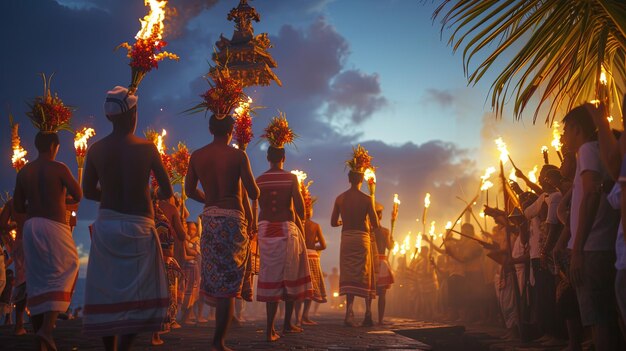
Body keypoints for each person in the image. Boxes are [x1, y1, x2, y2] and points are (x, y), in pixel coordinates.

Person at [82, 86, 172, 351]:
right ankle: (125, 346)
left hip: (107, 225)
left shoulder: (96, 150)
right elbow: (166, 190)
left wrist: (111, 193)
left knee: (108, 292)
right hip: (140, 226)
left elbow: (88, 191)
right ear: (133, 115)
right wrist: (150, 192)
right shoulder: (147, 148)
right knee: (141, 296)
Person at [185, 113, 259, 351]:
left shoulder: (197, 156)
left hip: (209, 218)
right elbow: (253, 192)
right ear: (231, 131)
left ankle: (219, 336)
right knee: (228, 284)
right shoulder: (238, 155)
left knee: (216, 278)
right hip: (232, 220)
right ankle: (219, 341)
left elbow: (188, 190)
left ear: (210, 129)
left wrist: (207, 198)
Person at [13, 129, 82, 351]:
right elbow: (78, 194)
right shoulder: (59, 168)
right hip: (53, 225)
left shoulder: (24, 172)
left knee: (37, 276)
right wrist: (60, 198)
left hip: (31, 227)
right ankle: (47, 328)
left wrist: (36, 201)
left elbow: (17, 206)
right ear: (54, 146)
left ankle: (40, 336)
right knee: (69, 266)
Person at [562, 104, 621, 351]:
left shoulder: (587, 149)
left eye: (565, 130)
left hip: (592, 248)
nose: (563, 137)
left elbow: (590, 195)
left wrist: (577, 249)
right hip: (600, 246)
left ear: (576, 128)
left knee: (599, 322)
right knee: (607, 319)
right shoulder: (598, 150)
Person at [255, 134, 313, 341]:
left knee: (270, 276)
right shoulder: (291, 178)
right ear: (283, 158)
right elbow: (300, 209)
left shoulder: (259, 180)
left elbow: (256, 207)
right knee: (290, 275)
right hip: (286, 229)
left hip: (264, 229)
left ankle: (271, 328)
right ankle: (287, 323)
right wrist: (301, 219)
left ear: (268, 158)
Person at [331, 151, 379, 327]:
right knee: (366, 274)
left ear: (349, 179)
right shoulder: (367, 199)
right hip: (362, 239)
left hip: (347, 239)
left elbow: (333, 223)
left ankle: (349, 313)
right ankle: (368, 313)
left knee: (349, 274)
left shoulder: (340, 198)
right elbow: (375, 224)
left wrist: (344, 220)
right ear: (361, 180)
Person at [0, 198, 28, 335]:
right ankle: (44, 322)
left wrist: (15, 225)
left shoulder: (11, 203)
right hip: (38, 240)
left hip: (20, 243)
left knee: (22, 281)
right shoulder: (38, 198)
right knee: (40, 281)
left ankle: (19, 324)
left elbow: (2, 225)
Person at [298, 202, 327, 326]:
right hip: (312, 256)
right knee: (311, 286)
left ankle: (297, 317)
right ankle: (305, 316)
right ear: (310, 211)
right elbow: (323, 245)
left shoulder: (296, 224)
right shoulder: (315, 226)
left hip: (299, 255)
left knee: (299, 286)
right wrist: (313, 245)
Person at [372, 204, 394, 325]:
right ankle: (376, 318)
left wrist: (391, 241)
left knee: (377, 292)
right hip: (377, 262)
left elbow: (389, 246)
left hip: (376, 262)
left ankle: (373, 317)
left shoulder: (371, 231)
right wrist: (392, 241)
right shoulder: (383, 231)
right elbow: (390, 246)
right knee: (377, 292)